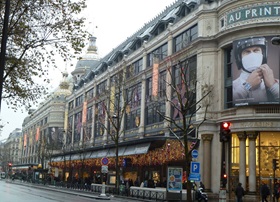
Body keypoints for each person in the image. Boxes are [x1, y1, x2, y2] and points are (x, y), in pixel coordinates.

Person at [233, 36, 279, 105]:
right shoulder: (233, 86)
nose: (252, 55)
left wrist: (272, 85)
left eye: (256, 50)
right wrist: (247, 86)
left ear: (264, 55)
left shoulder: (276, 83)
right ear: (239, 58)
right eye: (247, 52)